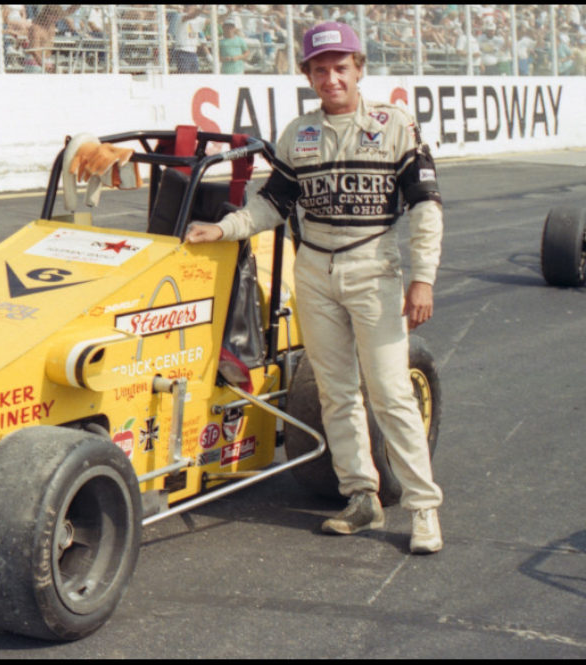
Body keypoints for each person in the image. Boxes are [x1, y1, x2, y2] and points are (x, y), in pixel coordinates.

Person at [185, 21, 445, 555]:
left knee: (392, 393)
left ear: (359, 69)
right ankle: (361, 496)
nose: (332, 79)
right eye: (320, 70)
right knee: (336, 392)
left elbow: (425, 207)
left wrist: (422, 279)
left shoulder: (395, 125)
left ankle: (423, 508)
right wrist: (224, 228)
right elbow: (271, 204)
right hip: (315, 273)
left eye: (341, 68)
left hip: (374, 268)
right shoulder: (298, 134)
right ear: (307, 75)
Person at [167, 5, 208, 74]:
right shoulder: (180, 16)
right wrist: (202, 8)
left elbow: (215, 20)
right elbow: (192, 16)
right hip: (182, 51)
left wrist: (228, 12)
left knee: (194, 77)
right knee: (185, 77)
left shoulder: (197, 18)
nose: (190, 7)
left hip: (193, 52)